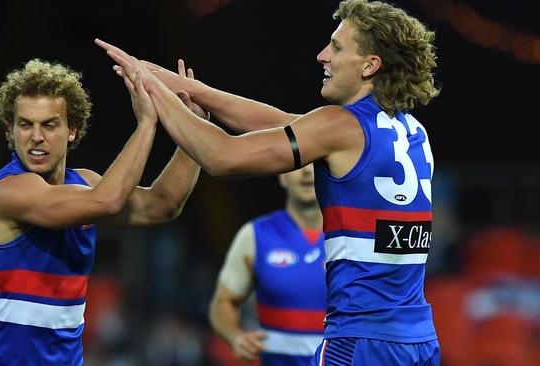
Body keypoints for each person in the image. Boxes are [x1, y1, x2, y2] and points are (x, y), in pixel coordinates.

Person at [96, 0, 441, 364]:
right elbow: (280, 122)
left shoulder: (339, 125)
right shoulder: (412, 131)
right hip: (418, 340)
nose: (322, 55)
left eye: (337, 47)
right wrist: (191, 90)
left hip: (362, 342)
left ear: (370, 65)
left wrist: (150, 87)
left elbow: (222, 156)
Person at [0, 59, 205, 365]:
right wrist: (147, 123)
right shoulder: (8, 192)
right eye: (25, 124)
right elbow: (106, 201)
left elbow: (163, 205)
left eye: (50, 124)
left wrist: (196, 126)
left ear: (73, 129)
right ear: (11, 130)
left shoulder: (86, 185)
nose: (36, 137)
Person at [209, 164, 326, 365]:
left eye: (315, 164)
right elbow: (223, 302)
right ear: (282, 176)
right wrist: (235, 336)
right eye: (299, 165)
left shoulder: (353, 237)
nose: (306, 171)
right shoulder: (255, 236)